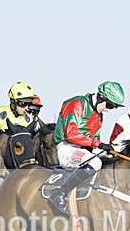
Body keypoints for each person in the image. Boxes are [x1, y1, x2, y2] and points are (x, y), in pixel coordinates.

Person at [49, 81, 124, 214]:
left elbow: (95, 141)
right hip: (67, 148)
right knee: (95, 162)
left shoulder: (99, 116)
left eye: (114, 107)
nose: (109, 109)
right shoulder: (77, 104)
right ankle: (60, 193)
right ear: (101, 97)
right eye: (110, 105)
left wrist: (108, 151)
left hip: (84, 150)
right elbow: (71, 134)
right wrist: (97, 144)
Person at [0, 82, 37, 151]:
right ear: (13, 102)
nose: (26, 108)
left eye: (29, 104)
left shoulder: (29, 120)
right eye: (23, 104)